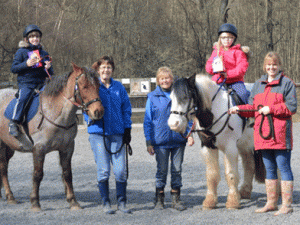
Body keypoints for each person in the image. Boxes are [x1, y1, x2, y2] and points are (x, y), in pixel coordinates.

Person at [229, 52, 297, 215]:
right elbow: (253, 108)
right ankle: (271, 202)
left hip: (280, 135)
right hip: (262, 135)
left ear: (279, 66)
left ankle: (286, 205)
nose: (271, 67)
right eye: (268, 65)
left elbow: (292, 107)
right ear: (264, 66)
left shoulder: (287, 83)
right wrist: (239, 109)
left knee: (283, 167)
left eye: (274, 64)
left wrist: (271, 109)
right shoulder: (258, 84)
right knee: (269, 168)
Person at [84, 56, 132, 214]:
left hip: (117, 133)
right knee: (103, 169)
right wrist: (89, 120)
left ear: (112, 70)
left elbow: (126, 108)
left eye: (109, 67)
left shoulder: (119, 87)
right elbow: (85, 103)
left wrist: (127, 129)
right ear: (98, 70)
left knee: (120, 170)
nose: (106, 70)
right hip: (98, 133)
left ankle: (122, 201)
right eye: (103, 68)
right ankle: (105, 202)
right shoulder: (93, 85)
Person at [143, 67, 194, 211]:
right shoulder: (152, 97)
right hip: (160, 141)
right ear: (158, 81)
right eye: (162, 78)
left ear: (172, 79)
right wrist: (149, 141)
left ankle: (176, 199)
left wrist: (189, 134)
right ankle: (159, 199)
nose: (165, 81)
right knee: (162, 170)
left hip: (178, 140)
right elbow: (147, 121)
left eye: (167, 78)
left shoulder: (179, 94)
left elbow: (188, 115)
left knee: (177, 170)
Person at [10, 24, 53, 137]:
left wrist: (48, 68)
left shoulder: (44, 53)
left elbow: (50, 73)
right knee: (23, 98)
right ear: (27, 39)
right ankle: (14, 122)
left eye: (37, 36)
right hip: (26, 83)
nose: (35, 39)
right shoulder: (21, 52)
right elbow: (14, 68)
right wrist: (26, 64)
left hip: (41, 84)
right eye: (32, 37)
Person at [206, 23, 250, 105]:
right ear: (220, 38)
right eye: (224, 37)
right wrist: (214, 69)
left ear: (234, 39)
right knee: (203, 94)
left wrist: (228, 74)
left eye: (230, 37)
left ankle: (248, 114)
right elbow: (208, 67)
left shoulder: (239, 52)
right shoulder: (216, 51)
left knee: (243, 94)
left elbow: (241, 69)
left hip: (235, 82)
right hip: (217, 81)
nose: (226, 40)